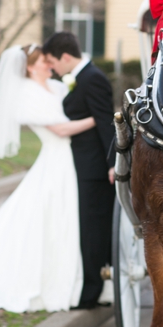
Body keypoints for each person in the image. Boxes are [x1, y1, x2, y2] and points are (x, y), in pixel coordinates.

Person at [0, 45, 95, 312]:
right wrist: (97, 118)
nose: (49, 63)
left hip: (74, 159)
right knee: (52, 218)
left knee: (66, 219)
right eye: (43, 61)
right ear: (29, 66)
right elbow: (60, 129)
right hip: (56, 160)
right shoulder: (26, 93)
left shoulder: (60, 86)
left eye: (50, 59)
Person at [42, 32, 116, 309]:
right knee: (88, 229)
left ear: (66, 57)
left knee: (94, 230)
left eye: (52, 62)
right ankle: (91, 287)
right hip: (82, 166)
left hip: (94, 168)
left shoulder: (92, 78)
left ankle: (92, 292)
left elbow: (106, 122)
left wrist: (112, 163)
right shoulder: (80, 78)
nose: (53, 68)